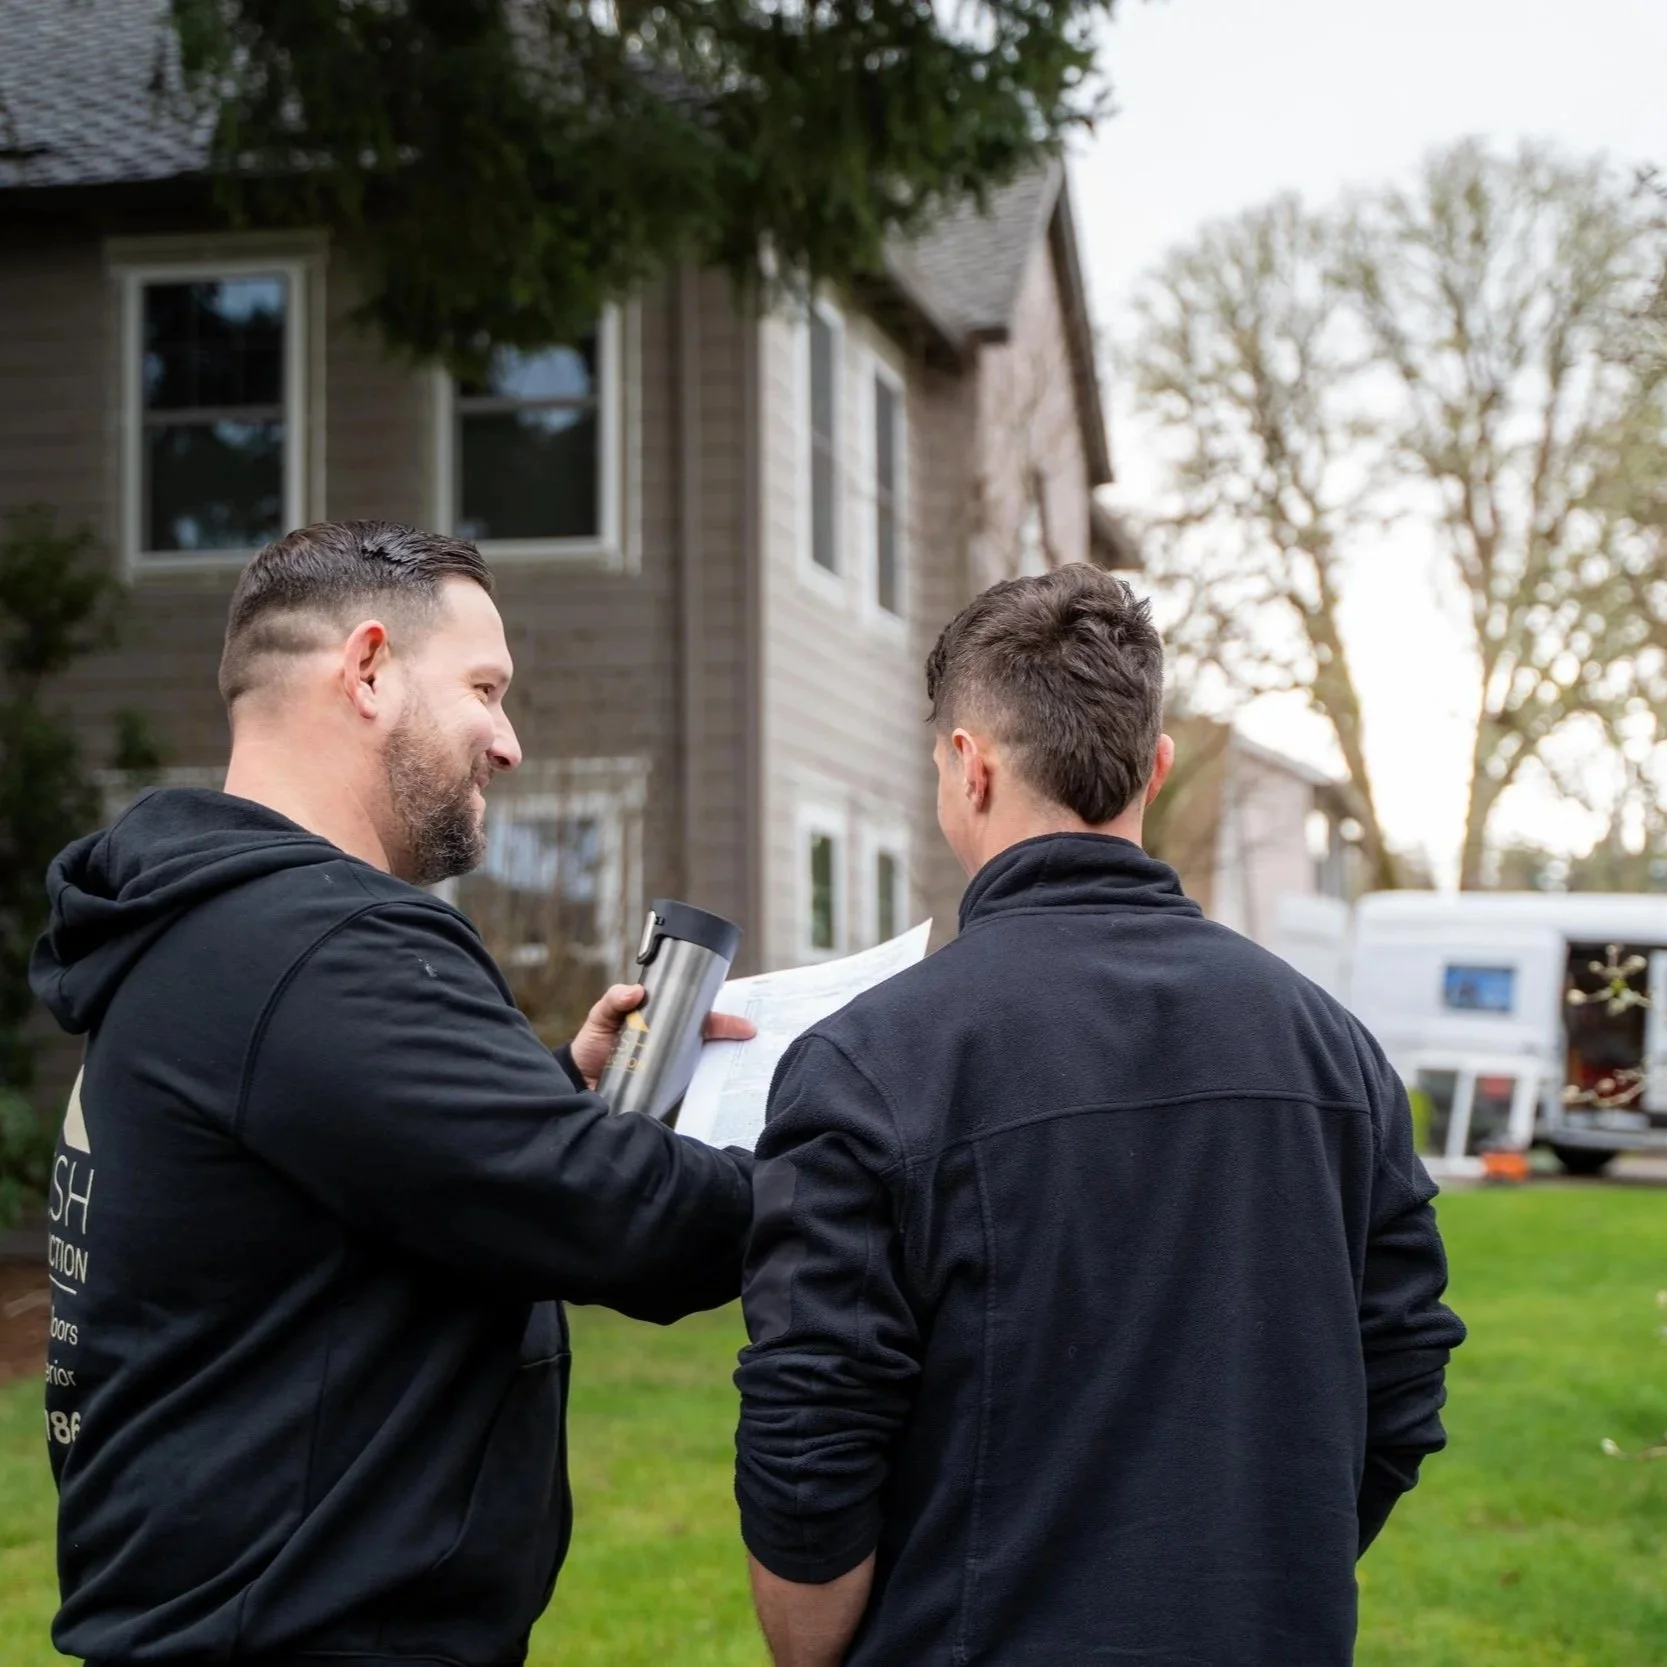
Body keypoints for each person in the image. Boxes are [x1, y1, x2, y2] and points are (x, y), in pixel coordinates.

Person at [30, 520, 754, 1667]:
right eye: (485, 687)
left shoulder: (198, 929)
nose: (507, 741)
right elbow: (627, 1221)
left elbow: (344, 1188)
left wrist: (556, 1092)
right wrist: (865, 1140)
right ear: (367, 669)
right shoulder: (323, 946)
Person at [733, 564, 1465, 1667]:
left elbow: (810, 1439)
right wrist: (1259, 1570)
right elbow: (1401, 1374)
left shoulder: (870, 1060)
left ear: (965, 767)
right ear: (1153, 768)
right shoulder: (1330, 1047)